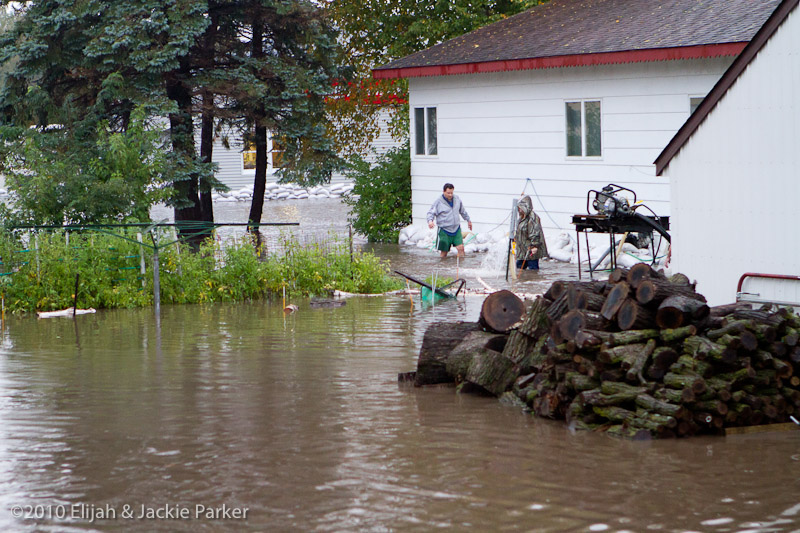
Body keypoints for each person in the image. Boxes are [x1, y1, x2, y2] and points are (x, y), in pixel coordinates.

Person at [427, 183, 472, 259]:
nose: (450, 195)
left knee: (461, 248)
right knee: (444, 252)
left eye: (451, 193)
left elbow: (462, 211)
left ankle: (461, 267)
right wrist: (430, 221)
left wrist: (468, 220)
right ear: (443, 192)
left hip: (456, 228)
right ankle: (443, 267)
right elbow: (430, 213)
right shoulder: (438, 202)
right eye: (448, 193)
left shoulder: (457, 199)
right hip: (444, 230)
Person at [514, 195, 548, 270]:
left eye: (520, 207)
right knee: (520, 268)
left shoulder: (532, 218)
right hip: (522, 251)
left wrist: (534, 246)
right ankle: (522, 281)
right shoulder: (521, 218)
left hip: (530, 250)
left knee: (533, 269)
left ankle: (533, 280)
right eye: (518, 208)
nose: (519, 210)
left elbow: (535, 233)